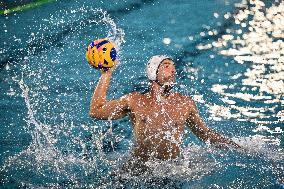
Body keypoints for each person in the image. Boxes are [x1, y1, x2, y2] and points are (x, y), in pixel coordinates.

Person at [89, 55, 239, 162]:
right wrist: (107, 74)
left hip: (171, 171)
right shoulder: (135, 100)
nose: (173, 70)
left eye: (174, 67)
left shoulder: (185, 103)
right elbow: (96, 110)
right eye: (166, 66)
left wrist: (239, 148)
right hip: (138, 171)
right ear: (153, 72)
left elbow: (205, 134)